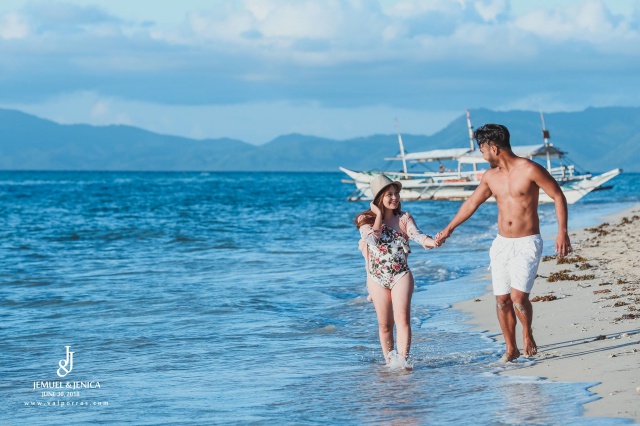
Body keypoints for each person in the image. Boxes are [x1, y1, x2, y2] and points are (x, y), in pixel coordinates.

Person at [435, 124, 571, 363]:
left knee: (518, 298)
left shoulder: (530, 169)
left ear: (494, 148)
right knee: (502, 300)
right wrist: (448, 229)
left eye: (482, 150)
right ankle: (511, 349)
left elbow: (558, 195)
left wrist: (563, 232)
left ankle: (527, 333)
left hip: (527, 242)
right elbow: (471, 204)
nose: (482, 155)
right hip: (501, 245)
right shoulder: (490, 177)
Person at [355, 174, 439, 366]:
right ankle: (389, 364)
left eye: (396, 194)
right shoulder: (365, 219)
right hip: (376, 278)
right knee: (385, 325)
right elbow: (372, 239)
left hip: (401, 274)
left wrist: (431, 241)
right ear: (378, 199)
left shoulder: (404, 218)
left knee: (402, 319)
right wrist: (377, 216)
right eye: (389, 194)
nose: (394, 198)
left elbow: (416, 235)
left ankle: (402, 363)